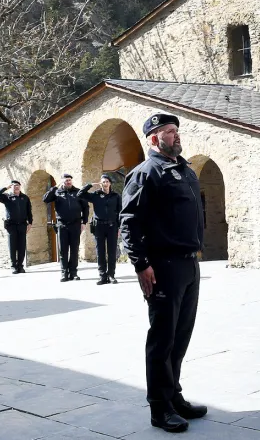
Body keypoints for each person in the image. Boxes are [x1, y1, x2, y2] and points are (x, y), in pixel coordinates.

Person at [120, 113, 207, 433]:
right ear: (154, 139)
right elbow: (129, 222)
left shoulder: (183, 169)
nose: (176, 135)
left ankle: (175, 396)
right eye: (169, 132)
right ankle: (159, 407)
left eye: (176, 130)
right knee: (163, 338)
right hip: (163, 266)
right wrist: (141, 265)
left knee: (180, 336)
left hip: (188, 263)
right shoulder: (145, 173)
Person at [43, 174, 89, 282]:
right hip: (62, 225)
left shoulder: (78, 191)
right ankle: (64, 273)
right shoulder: (57, 192)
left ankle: (73, 273)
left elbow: (85, 207)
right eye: (66, 180)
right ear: (62, 182)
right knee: (63, 250)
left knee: (74, 249)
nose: (68, 182)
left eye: (69, 180)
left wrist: (84, 222)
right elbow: (45, 199)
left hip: (75, 224)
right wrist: (53, 188)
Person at [87, 175, 123, 284]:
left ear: (110, 183)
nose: (105, 183)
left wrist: (120, 226)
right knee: (100, 252)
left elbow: (120, 212)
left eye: (107, 181)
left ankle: (111, 275)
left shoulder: (116, 196)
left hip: (112, 226)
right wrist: (90, 185)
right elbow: (80, 194)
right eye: (103, 182)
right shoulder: (95, 195)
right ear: (100, 183)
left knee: (112, 252)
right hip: (99, 227)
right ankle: (102, 276)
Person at [0, 180, 32, 274]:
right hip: (11, 225)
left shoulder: (25, 198)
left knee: (22, 246)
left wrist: (30, 223)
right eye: (14, 186)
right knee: (12, 246)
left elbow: (29, 211)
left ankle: (20, 266)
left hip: (22, 225)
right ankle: (13, 266)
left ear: (20, 186)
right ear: (11, 187)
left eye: (18, 185)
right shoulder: (7, 197)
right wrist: (6, 188)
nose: (16, 187)